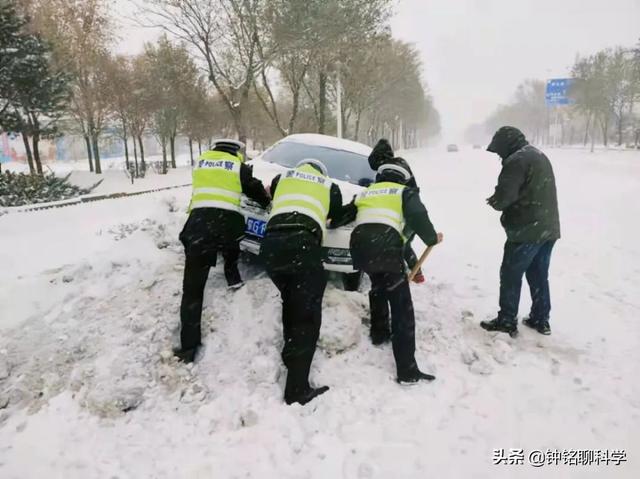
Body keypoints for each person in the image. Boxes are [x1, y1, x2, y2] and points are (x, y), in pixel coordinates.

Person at [260, 158, 352, 406]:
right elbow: (336, 216)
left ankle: (291, 355)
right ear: (321, 171)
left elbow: (272, 197)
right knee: (307, 317)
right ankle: (297, 390)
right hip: (301, 243)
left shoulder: (283, 179)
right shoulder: (328, 184)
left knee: (291, 300)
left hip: (270, 246)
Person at [175, 139, 270, 363]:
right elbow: (254, 190)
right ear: (236, 152)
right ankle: (232, 273)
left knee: (192, 289)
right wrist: (266, 200)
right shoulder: (238, 167)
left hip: (198, 226)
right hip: (227, 226)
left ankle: (188, 347)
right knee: (233, 238)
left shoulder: (200, 163)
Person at [351, 162, 443, 384]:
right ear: (403, 179)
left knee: (378, 286)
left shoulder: (366, 191)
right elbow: (418, 216)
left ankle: (379, 332)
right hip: (386, 248)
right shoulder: (404, 192)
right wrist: (432, 238)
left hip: (361, 247)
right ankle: (407, 371)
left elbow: (346, 213)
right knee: (402, 308)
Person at [480, 126, 561, 337]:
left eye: (499, 151)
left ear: (507, 145)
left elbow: (505, 196)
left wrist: (495, 200)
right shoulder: (538, 154)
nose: (499, 155)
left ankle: (507, 321)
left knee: (510, 274)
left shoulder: (516, 160)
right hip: (548, 229)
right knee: (538, 274)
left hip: (526, 230)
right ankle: (540, 318)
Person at [367, 138, 425, 283]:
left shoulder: (388, 170)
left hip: (405, 210)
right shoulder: (399, 163)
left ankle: (412, 274)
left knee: (401, 243)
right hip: (411, 206)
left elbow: (385, 191)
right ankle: (415, 272)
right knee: (404, 242)